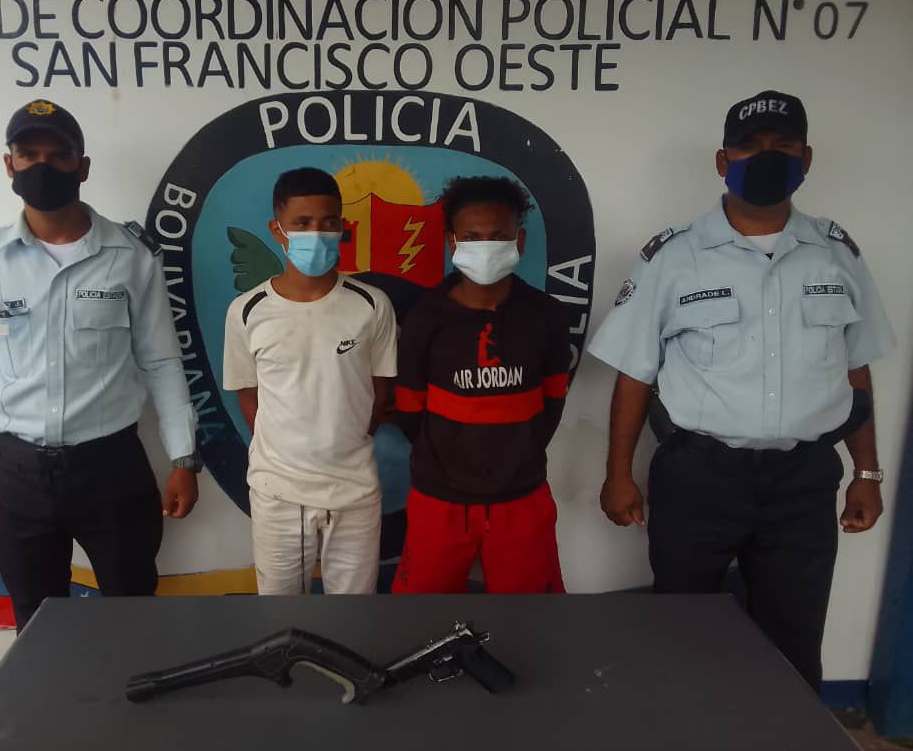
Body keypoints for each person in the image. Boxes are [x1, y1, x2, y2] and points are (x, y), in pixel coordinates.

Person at [587, 90, 895, 690]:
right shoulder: (674, 256)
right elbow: (634, 373)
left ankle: (784, 732)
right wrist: (617, 473)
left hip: (803, 481)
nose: (767, 156)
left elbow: (854, 368)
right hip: (699, 476)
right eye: (750, 146)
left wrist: (867, 472)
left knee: (793, 641)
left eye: (783, 145)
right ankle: (686, 730)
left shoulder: (836, 254)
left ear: (806, 158)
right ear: (723, 161)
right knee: (681, 633)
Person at [0, 99, 199, 631]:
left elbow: (162, 362)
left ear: (83, 165)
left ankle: (131, 692)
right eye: (28, 154)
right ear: (9, 164)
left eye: (59, 155)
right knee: (36, 623)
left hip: (111, 471)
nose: (43, 166)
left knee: (133, 616)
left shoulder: (130, 255)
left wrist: (183, 457)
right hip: (19, 475)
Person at [222, 167, 397, 595]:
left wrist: (342, 442)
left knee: (354, 615)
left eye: (328, 222)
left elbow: (379, 394)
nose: (316, 234)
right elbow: (248, 396)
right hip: (277, 492)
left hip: (355, 491)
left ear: (342, 226)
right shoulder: (247, 311)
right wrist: (287, 452)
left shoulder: (372, 305)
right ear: (277, 229)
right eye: (302, 223)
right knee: (279, 612)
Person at [391, 176, 570, 594]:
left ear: (519, 241)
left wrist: (515, 455)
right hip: (439, 498)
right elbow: (410, 412)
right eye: (472, 237)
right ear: (452, 242)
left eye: (499, 236)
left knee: (532, 613)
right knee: (421, 611)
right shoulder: (425, 319)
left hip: (522, 497)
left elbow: (552, 403)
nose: (486, 246)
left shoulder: (546, 316)